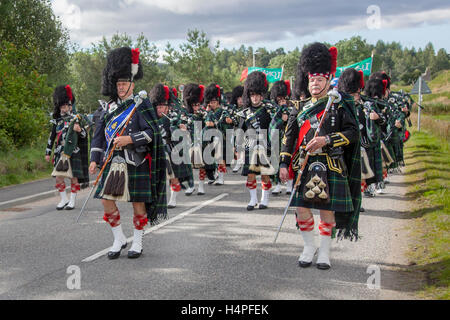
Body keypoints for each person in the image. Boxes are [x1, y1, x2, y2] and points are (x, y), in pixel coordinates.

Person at [279, 43, 361, 270]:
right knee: (301, 209)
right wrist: (284, 163)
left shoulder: (339, 104)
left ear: (328, 80)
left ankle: (325, 251)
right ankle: (309, 246)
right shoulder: (300, 107)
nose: (314, 84)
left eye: (319, 80)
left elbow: (353, 133)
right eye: (311, 79)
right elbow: (289, 137)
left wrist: (327, 140)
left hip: (331, 164)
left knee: (326, 209)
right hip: (305, 165)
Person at [89, 47, 166, 260]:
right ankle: (119, 238)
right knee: (106, 200)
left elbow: (152, 133)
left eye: (124, 84)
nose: (121, 87)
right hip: (112, 160)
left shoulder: (141, 105)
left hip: (135, 160)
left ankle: (138, 241)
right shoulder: (108, 108)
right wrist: (94, 159)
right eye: (118, 84)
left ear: (132, 84)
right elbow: (98, 137)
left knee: (138, 203)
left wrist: (130, 139)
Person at [235, 71, 277, 210]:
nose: (255, 98)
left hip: (265, 145)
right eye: (252, 95)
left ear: (262, 95)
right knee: (250, 175)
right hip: (250, 145)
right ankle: (253, 199)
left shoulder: (269, 110)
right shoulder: (244, 112)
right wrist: (239, 149)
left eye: (257, 94)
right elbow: (240, 132)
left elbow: (274, 128)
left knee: (265, 174)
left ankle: (265, 199)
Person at [45, 85, 91, 210]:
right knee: (59, 178)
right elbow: (51, 137)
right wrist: (48, 152)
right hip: (60, 152)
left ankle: (72, 200)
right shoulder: (57, 121)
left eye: (66, 106)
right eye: (62, 106)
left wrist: (80, 129)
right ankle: (63, 199)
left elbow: (84, 136)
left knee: (73, 177)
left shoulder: (76, 119)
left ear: (70, 106)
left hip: (73, 152)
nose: (64, 108)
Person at [150, 83, 192, 208]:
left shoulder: (172, 117)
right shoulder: (150, 118)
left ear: (167, 107)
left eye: (163, 106)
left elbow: (182, 123)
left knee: (172, 177)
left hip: (168, 150)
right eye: (158, 106)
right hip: (153, 151)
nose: (160, 109)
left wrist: (182, 128)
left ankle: (173, 198)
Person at [269, 80, 294, 195]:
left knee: (289, 161)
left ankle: (290, 184)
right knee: (275, 161)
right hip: (276, 138)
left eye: (284, 99)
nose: (282, 102)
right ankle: (277, 184)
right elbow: (272, 123)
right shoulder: (273, 110)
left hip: (288, 138)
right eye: (279, 100)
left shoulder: (292, 108)